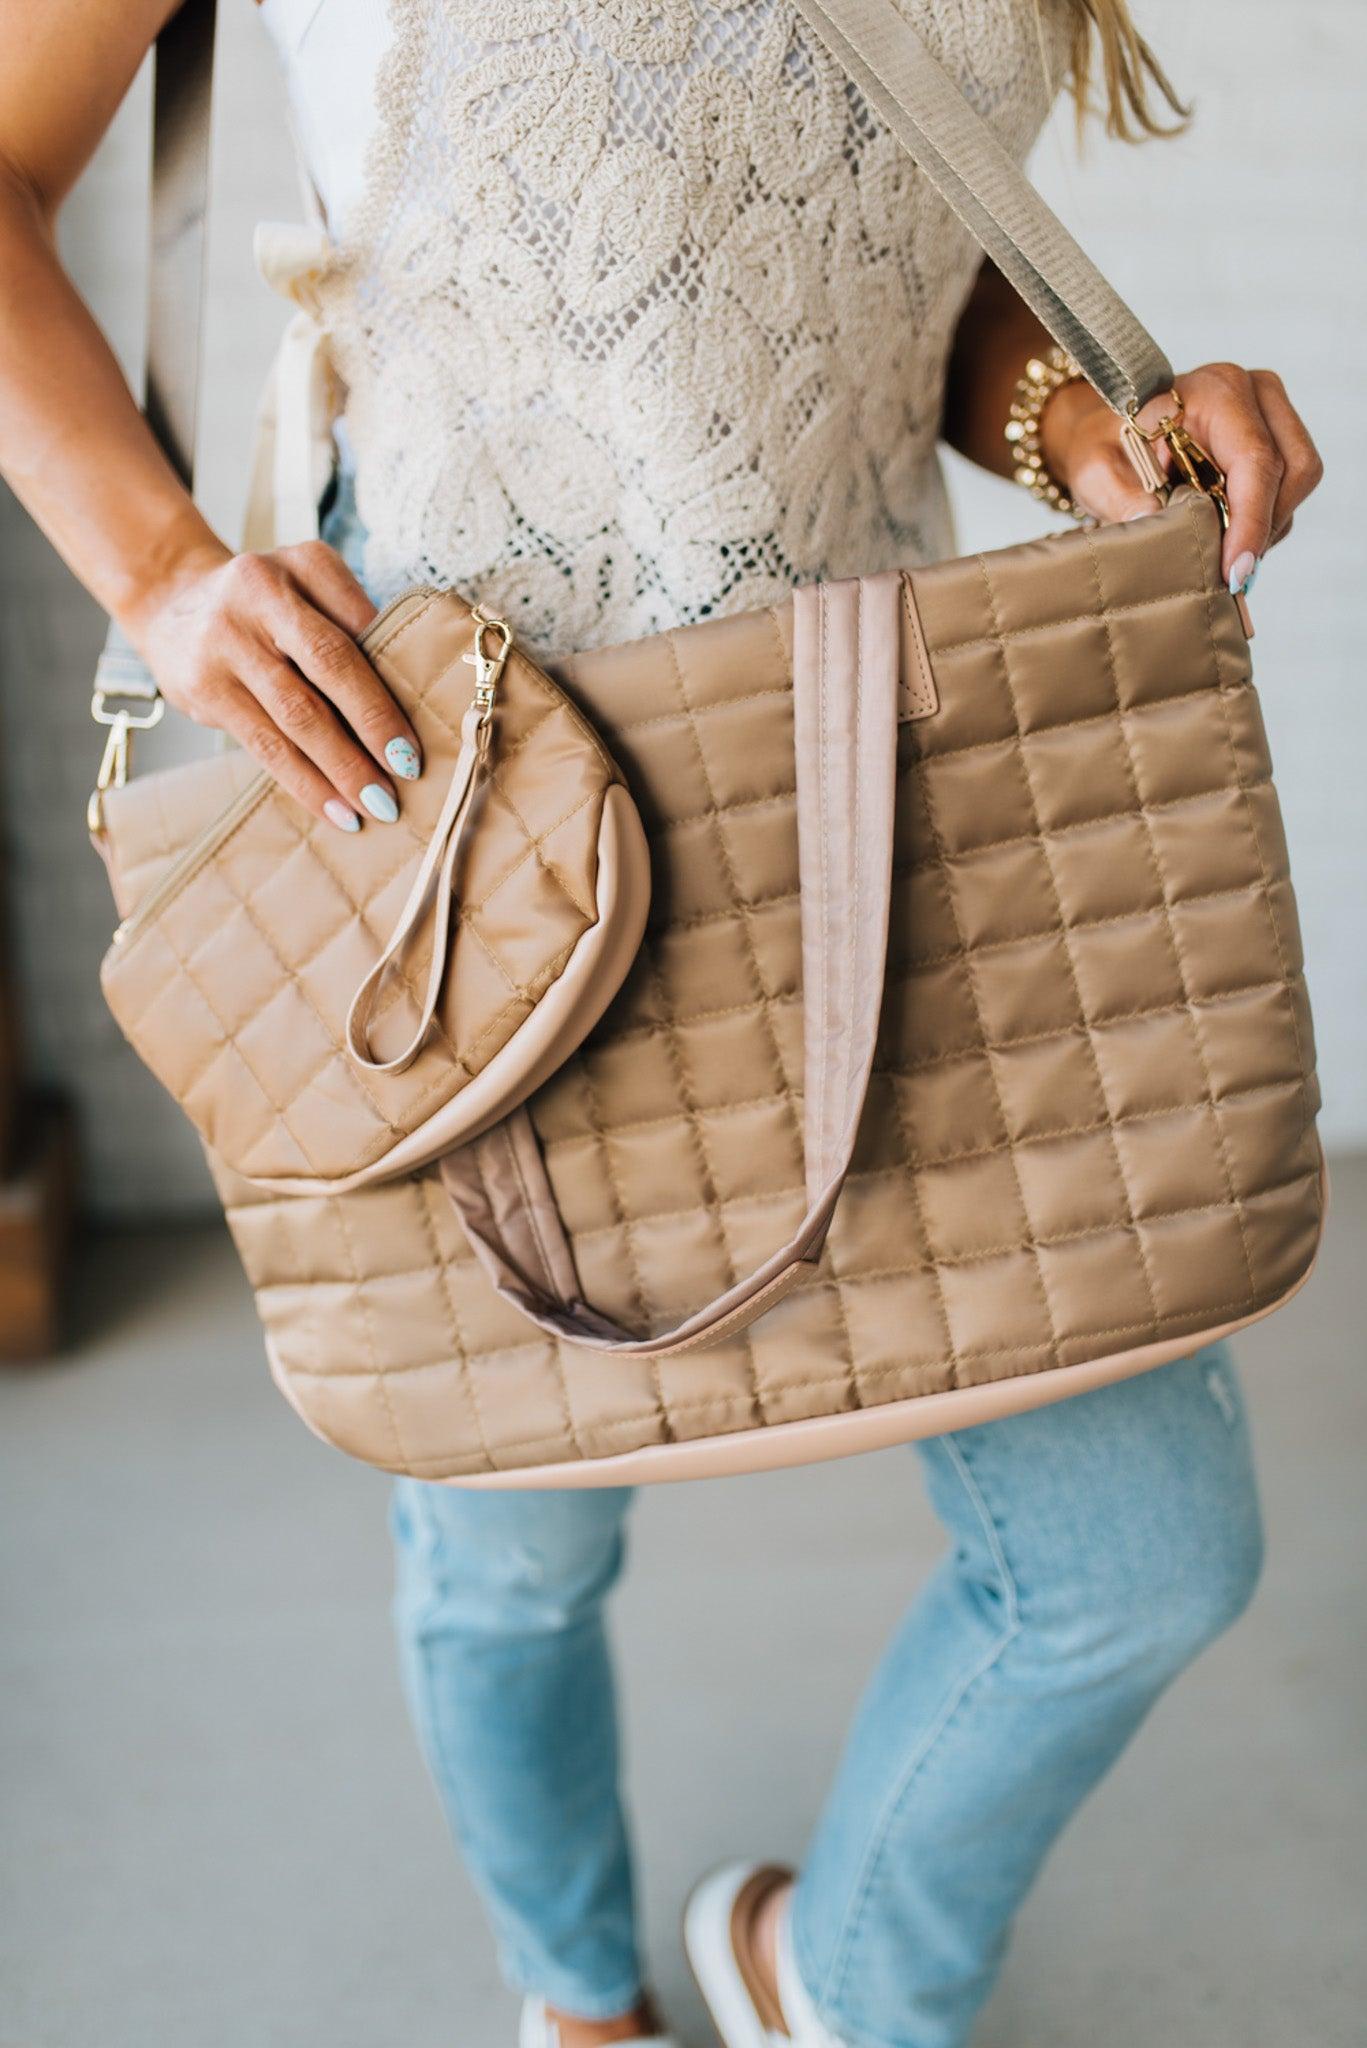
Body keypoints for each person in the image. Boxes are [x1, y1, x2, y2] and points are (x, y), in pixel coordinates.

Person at [0, 3, 1324, 2043]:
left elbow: (880, 219)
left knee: (1143, 1549)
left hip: (880, 764)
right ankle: (577, 2001)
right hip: (468, 812)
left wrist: (1071, 414)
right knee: (508, 1552)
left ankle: (839, 1975)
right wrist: (164, 570)